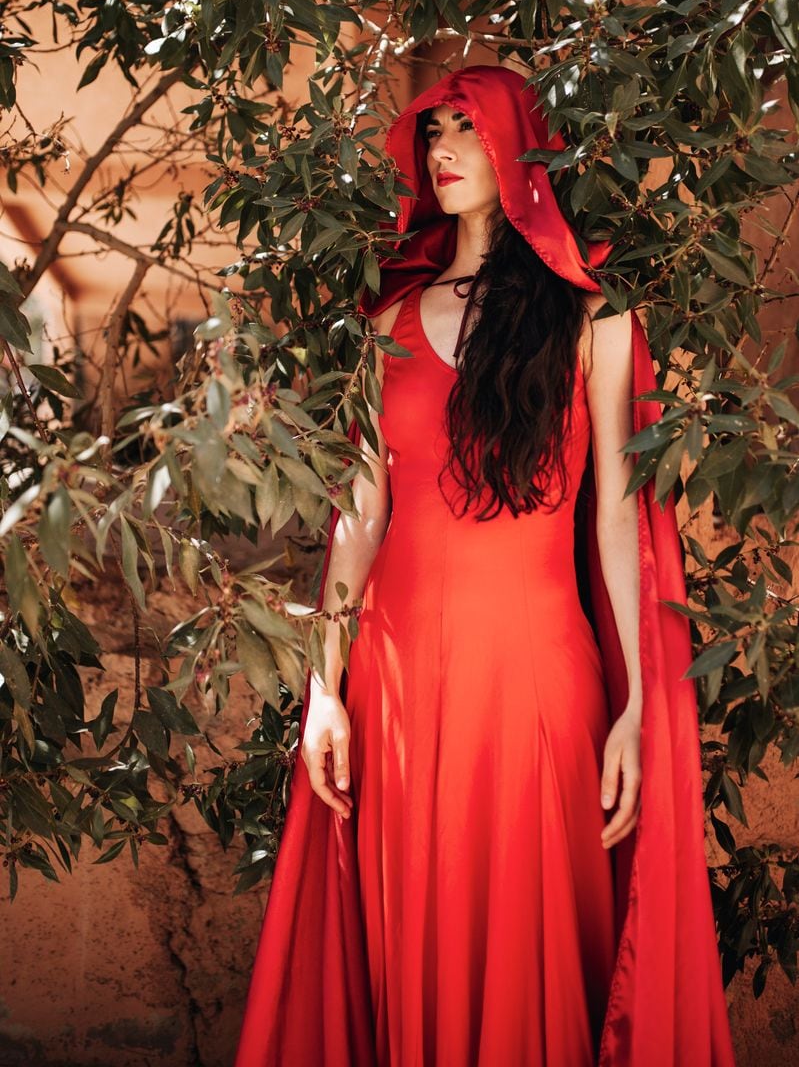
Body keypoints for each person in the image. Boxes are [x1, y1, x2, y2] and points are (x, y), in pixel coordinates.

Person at [234, 65, 737, 1067]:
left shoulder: (594, 318)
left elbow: (616, 517)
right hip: (399, 680)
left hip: (537, 683)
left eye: (468, 127)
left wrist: (636, 702)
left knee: (530, 936)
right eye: (433, 132)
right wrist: (321, 691)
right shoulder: (387, 322)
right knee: (405, 928)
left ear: (520, 147)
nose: (445, 148)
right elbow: (359, 518)